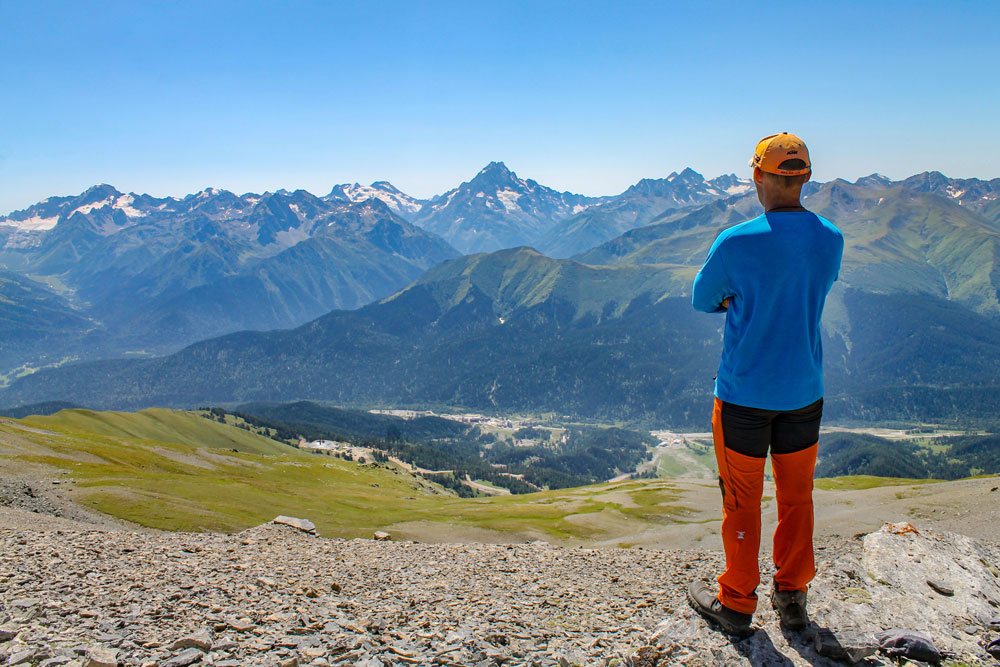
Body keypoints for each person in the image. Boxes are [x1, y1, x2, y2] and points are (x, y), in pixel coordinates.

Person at [686, 132, 844, 635]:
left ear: (757, 175)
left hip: (743, 398)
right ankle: (792, 595)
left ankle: (735, 602)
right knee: (797, 497)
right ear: (805, 177)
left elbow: (702, 300)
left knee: (741, 500)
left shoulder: (736, 242)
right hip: (803, 393)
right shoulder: (831, 238)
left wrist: (738, 300)